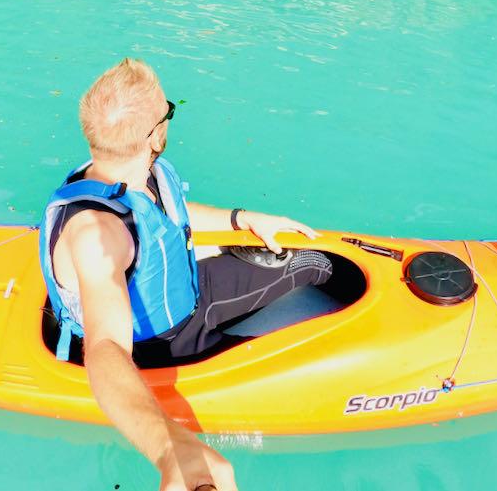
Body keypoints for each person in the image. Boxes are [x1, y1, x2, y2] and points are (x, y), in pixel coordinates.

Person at [41, 59, 333, 491]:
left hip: (187, 294)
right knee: (314, 280)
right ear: (155, 133)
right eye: (168, 112)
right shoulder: (96, 234)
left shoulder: (129, 171)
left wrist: (242, 218)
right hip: (164, 343)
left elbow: (166, 217)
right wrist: (170, 450)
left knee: (318, 261)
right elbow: (104, 350)